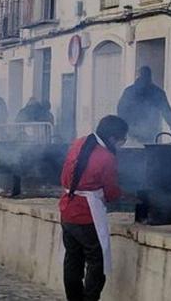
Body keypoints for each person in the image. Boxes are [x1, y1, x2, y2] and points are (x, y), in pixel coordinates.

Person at [60, 115, 128, 301]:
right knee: (96, 260)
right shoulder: (106, 157)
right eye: (122, 140)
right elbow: (111, 190)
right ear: (113, 138)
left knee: (73, 259)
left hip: (67, 208)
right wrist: (121, 196)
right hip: (86, 214)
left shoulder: (78, 142)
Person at [116, 66, 171, 145]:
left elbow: (166, 111)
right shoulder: (130, 92)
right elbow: (121, 111)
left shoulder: (157, 93)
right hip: (133, 132)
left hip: (149, 132)